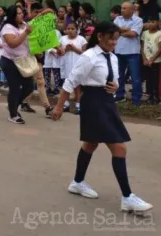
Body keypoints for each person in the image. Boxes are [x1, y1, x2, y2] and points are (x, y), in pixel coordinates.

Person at [52, 22, 152, 214]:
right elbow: (71, 81)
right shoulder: (89, 56)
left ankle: (77, 182)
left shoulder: (112, 57)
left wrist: (114, 87)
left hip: (107, 102)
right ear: (100, 37)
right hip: (93, 103)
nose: (114, 42)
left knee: (90, 144)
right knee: (119, 148)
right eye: (111, 38)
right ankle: (127, 197)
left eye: (116, 39)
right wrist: (58, 107)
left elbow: (110, 80)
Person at [0, 5, 34, 124]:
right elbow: (12, 43)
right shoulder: (7, 28)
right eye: (18, 14)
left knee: (30, 86)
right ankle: (13, 114)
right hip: (10, 61)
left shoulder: (24, 24)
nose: (21, 15)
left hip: (23, 61)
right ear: (12, 15)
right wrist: (25, 33)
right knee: (14, 88)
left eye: (21, 13)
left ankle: (13, 105)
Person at [113, 2, 143, 105]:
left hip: (132, 52)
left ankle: (136, 100)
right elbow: (114, 32)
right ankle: (120, 96)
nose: (122, 10)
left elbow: (133, 34)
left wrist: (120, 31)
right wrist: (125, 30)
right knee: (119, 76)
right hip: (119, 51)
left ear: (132, 10)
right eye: (122, 8)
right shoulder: (117, 19)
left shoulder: (138, 20)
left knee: (135, 78)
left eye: (125, 8)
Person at [59, 23, 88, 114]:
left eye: (72, 28)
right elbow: (60, 52)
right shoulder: (62, 39)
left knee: (77, 86)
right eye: (68, 29)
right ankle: (66, 104)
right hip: (66, 65)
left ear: (77, 29)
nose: (70, 31)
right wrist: (66, 49)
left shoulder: (81, 39)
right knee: (66, 85)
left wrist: (74, 48)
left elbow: (85, 53)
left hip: (77, 65)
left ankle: (78, 105)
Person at [141, 18, 161, 105]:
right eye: (149, 22)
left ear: (158, 23)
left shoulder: (159, 33)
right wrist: (145, 59)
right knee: (148, 79)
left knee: (155, 79)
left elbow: (160, 49)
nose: (151, 24)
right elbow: (142, 47)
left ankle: (156, 96)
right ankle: (149, 95)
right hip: (146, 61)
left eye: (153, 21)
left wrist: (152, 59)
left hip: (155, 61)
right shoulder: (145, 33)